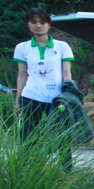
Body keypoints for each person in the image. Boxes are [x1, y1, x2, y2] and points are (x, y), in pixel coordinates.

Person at [14, 8, 74, 141]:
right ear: (28, 24)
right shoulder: (22, 48)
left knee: (61, 137)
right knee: (27, 137)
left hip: (56, 97)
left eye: (42, 22)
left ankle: (64, 163)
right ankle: (28, 162)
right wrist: (18, 99)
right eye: (33, 22)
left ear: (49, 24)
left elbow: (66, 74)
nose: (38, 25)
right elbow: (22, 75)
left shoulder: (62, 46)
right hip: (30, 96)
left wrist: (67, 96)